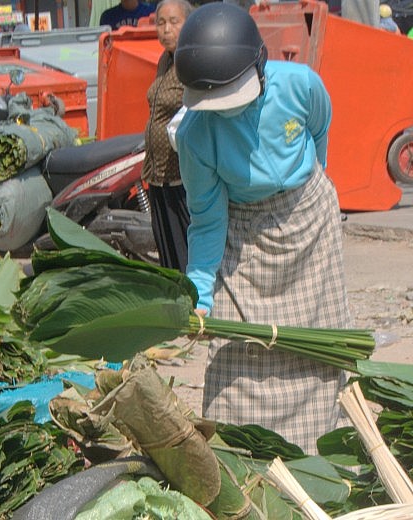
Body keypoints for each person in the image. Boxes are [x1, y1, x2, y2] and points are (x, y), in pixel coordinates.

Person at [173, 3, 349, 454]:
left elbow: (320, 128)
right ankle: (242, 457)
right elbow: (208, 219)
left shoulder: (300, 85)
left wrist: (317, 187)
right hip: (244, 232)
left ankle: (316, 457)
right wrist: (200, 293)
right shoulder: (196, 136)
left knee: (318, 353)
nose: (224, 112)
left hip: (309, 225)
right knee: (239, 353)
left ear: (260, 66)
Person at [141, 0, 192, 272]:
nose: (166, 29)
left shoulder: (191, 62)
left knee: (185, 248)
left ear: (188, 24)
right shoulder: (165, 60)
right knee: (167, 249)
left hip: (180, 176)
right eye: (160, 23)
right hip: (158, 175)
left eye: (174, 22)